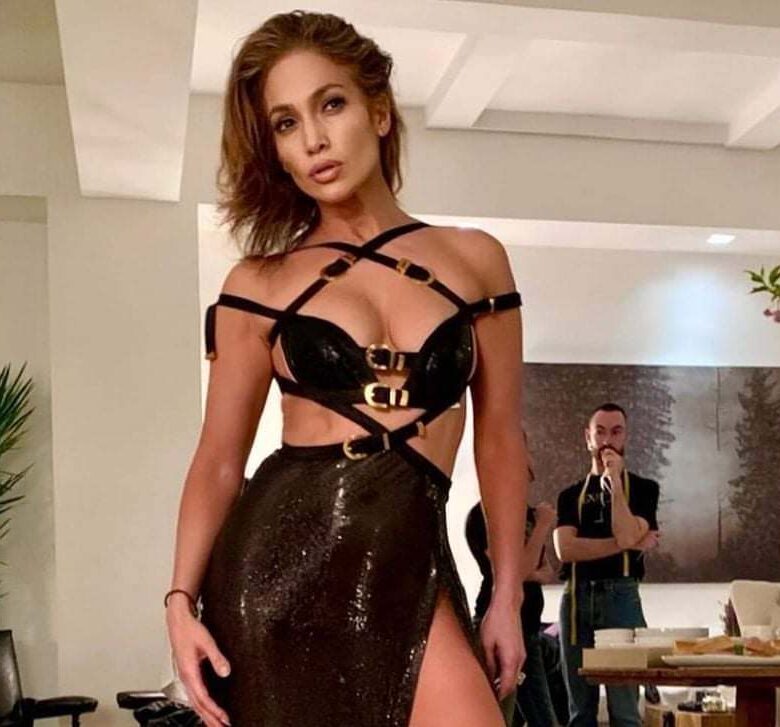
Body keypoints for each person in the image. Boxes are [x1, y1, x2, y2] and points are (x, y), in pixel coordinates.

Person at [163, 11, 530, 727]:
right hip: (275, 573)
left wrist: (506, 593)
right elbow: (218, 460)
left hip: (410, 563)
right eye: (286, 123)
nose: (314, 140)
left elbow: (500, 439)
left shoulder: (476, 259)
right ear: (276, 150)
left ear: (379, 111)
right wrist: (179, 601)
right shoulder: (258, 283)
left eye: (330, 104)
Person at [553, 403, 660, 727]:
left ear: (625, 437)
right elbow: (565, 550)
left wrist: (613, 479)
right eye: (599, 432)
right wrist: (627, 544)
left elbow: (625, 531)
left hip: (621, 597)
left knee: (625, 712)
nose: (607, 440)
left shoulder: (643, 489)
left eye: (615, 432)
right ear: (587, 437)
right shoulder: (569, 495)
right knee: (580, 713)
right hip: (576, 598)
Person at [466, 499, 558, 726]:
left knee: (520, 714)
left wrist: (525, 570)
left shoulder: (526, 513)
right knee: (538, 717)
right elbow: (515, 572)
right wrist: (542, 527)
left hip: (529, 627)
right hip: (505, 627)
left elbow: (546, 571)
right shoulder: (485, 515)